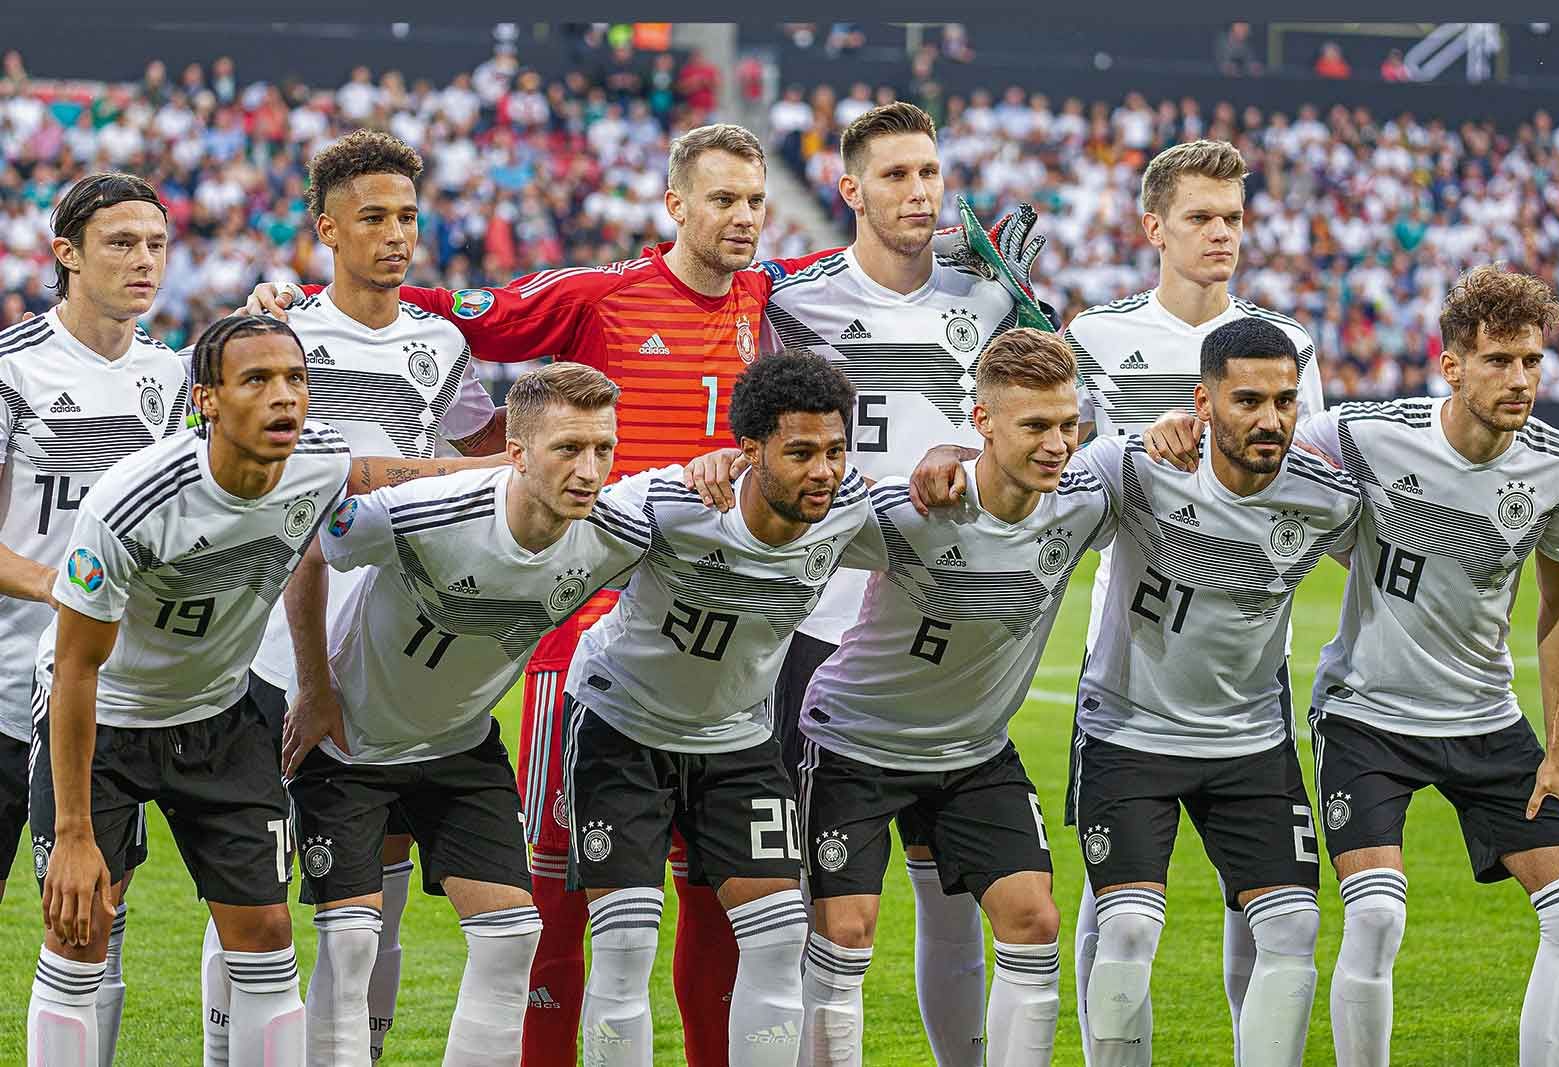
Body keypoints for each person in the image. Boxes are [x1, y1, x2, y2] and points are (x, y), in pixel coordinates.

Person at [247, 123, 833, 1067]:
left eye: (755, 200)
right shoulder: (599, 293)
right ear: (674, 205)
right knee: (556, 884)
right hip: (579, 614)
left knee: (720, 891)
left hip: (710, 628)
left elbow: (853, 268)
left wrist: (957, 253)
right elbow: (462, 314)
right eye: (722, 198)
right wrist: (296, 299)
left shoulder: (764, 295)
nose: (743, 216)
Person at [1151, 265, 1559, 1065]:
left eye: (1533, 360)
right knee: (1377, 916)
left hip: (1485, 717)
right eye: (1499, 360)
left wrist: (1558, 748)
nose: (1521, 379)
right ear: (1451, 365)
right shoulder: (1366, 433)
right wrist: (1176, 428)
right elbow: (1261, 450)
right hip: (1367, 716)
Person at [686, 99, 1050, 1064]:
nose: (918, 191)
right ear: (849, 189)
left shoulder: (989, 303)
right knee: (822, 910)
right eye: (894, 174)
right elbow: (702, 288)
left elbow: (1049, 418)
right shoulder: (789, 297)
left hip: (950, 625)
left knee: (952, 892)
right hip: (820, 629)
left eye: (930, 172)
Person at [206, 127, 505, 1066]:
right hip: (270, 648)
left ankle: (358, 1052)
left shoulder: (440, 345)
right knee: (248, 882)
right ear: (327, 229)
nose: (397, 235)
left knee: (380, 885)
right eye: (373, 217)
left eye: (408, 216)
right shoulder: (282, 334)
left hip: (388, 648)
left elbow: (494, 453)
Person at [282, 363, 654, 1066]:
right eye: (568, 448)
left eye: (603, 448)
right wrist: (313, 688)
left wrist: (722, 466)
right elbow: (311, 549)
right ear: (517, 454)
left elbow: (690, 498)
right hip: (353, 743)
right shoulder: (426, 512)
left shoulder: (617, 534)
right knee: (351, 941)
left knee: (512, 937)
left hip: (460, 745)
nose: (590, 470)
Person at [26, 315, 348, 1067]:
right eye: (257, 380)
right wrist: (73, 834)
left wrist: (518, 466)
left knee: (267, 932)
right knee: (80, 928)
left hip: (219, 714)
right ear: (205, 399)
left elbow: (391, 475)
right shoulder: (130, 501)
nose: (284, 397)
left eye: (296, 379)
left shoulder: (321, 461)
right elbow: (75, 669)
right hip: (104, 718)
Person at [1061, 138, 1323, 1065]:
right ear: (1154, 226)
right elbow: (1065, 468)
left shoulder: (1288, 343)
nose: (1222, 234)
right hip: (1133, 645)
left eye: (1234, 218)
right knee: (1115, 901)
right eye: (1202, 217)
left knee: (1262, 905)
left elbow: (1301, 465)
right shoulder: (1095, 336)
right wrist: (1147, 437)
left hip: (1251, 655)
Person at [796, 329, 1112, 1066]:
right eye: (1035, 426)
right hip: (854, 744)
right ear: (983, 420)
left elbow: (1163, 455)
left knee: (1033, 920)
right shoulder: (908, 511)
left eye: (1068, 425)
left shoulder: (1083, 502)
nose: (1057, 446)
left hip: (974, 751)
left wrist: (1179, 427)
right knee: (844, 932)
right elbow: (787, 507)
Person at [565, 351, 867, 1067]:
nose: (824, 472)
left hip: (737, 738)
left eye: (834, 450)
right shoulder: (669, 503)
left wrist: (951, 456)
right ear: (750, 450)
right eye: (801, 453)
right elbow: (553, 517)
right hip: (623, 725)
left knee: (779, 935)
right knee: (625, 941)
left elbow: (950, 502)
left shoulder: (850, 507)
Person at [0, 172, 189, 1066]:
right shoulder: (13, 370)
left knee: (95, 919)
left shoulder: (175, 377)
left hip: (107, 703)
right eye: (121, 242)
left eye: (155, 244)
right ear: (67, 254)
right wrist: (70, 591)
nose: (143, 260)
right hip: (7, 691)